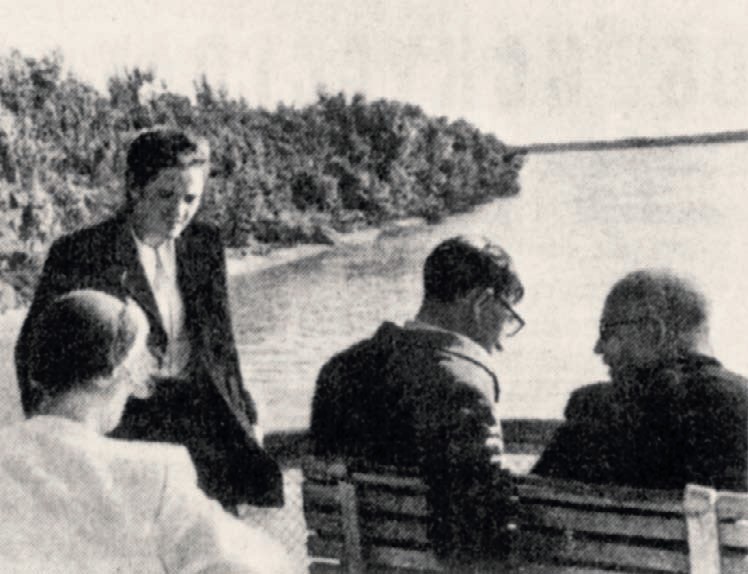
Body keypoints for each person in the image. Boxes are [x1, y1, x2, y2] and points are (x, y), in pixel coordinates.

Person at [15, 128, 282, 508]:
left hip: (203, 427)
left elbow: (221, 344)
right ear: (134, 188)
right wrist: (56, 444)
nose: (179, 211)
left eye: (191, 198)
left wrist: (246, 413)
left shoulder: (204, 244)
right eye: (165, 195)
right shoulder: (81, 252)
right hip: (122, 431)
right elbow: (32, 352)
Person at [0, 290, 292, 574]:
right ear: (108, 374)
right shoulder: (154, 474)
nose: (134, 387)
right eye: (134, 367)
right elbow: (263, 565)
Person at [310, 236, 524, 562]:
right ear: (480, 302)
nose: (501, 342)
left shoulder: (339, 369)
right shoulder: (465, 386)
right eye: (507, 316)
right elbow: (476, 540)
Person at [533, 269, 748, 491]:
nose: (598, 348)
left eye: (607, 332)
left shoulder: (598, 409)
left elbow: (532, 499)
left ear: (653, 332)